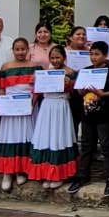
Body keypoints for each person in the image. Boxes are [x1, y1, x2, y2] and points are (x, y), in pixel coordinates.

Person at [29, 44, 77, 191]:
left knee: (59, 138)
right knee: (46, 138)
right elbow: (37, 90)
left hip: (61, 106)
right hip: (47, 106)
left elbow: (75, 93)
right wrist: (34, 82)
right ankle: (46, 173)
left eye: (58, 57)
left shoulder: (70, 72)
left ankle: (59, 175)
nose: (55, 60)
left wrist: (69, 85)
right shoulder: (45, 73)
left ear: (64, 57)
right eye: (52, 58)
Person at [75, 41, 109, 196]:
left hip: (104, 115)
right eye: (91, 54)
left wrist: (102, 94)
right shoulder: (86, 71)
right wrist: (81, 91)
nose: (94, 57)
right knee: (86, 145)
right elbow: (79, 91)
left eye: (97, 54)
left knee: (106, 145)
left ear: (105, 55)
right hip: (87, 114)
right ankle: (83, 175)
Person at [0, 37, 36, 191]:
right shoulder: (5, 67)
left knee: (24, 137)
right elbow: (2, 88)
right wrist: (2, 105)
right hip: (10, 109)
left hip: (27, 108)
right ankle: (7, 172)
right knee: (9, 137)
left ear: (27, 50)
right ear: (13, 50)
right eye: (17, 49)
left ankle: (20, 170)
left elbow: (38, 88)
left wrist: (32, 103)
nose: (20, 52)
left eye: (23, 49)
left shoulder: (35, 67)